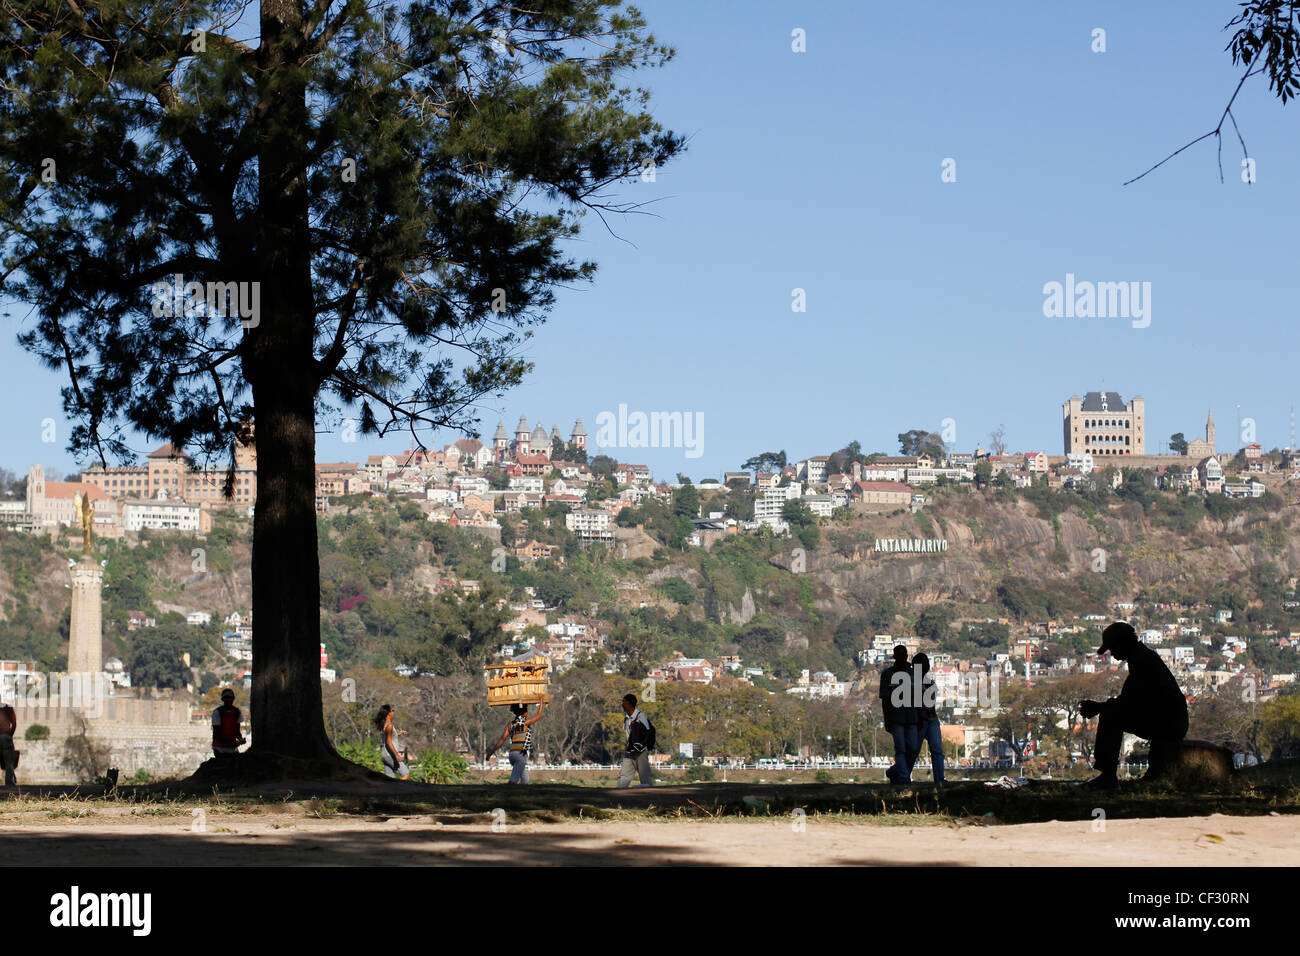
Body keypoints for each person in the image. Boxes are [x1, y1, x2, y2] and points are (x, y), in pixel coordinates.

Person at [1081, 621, 1189, 789]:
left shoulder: (1142, 661)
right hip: (1167, 720)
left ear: (1123, 643)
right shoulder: (1142, 658)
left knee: (1111, 715)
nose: (1113, 654)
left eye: (1113, 648)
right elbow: (1130, 701)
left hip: (1167, 723)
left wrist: (1099, 708)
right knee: (1111, 712)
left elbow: (1129, 702)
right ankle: (1107, 775)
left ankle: (1108, 776)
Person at [880, 645, 918, 784]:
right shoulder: (887, 674)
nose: (902, 656)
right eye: (900, 654)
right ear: (895, 656)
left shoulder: (914, 673)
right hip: (896, 717)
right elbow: (885, 699)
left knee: (913, 749)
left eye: (904, 654)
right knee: (901, 749)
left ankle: (895, 771)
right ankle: (904, 777)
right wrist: (886, 719)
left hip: (912, 716)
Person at [487, 702, 544, 784]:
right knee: (513, 781)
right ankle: (506, 793)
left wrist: (490, 753)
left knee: (525, 780)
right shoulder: (525, 723)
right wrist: (541, 701)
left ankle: (521, 795)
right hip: (520, 755)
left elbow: (501, 740)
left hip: (512, 754)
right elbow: (539, 715)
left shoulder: (510, 726)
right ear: (524, 713)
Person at [912, 653, 944, 785]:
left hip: (930, 720)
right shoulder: (911, 683)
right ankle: (899, 774)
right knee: (914, 751)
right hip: (919, 720)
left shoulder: (930, 683)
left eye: (926, 663)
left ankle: (939, 779)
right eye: (923, 663)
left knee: (937, 750)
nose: (926, 666)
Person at [616, 693, 654, 789]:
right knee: (624, 774)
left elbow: (648, 731)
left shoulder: (641, 716)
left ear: (629, 704)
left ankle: (651, 795)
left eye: (624, 702)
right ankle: (619, 794)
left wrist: (644, 745)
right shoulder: (626, 718)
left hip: (640, 751)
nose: (622, 704)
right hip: (630, 750)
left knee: (645, 775)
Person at [375, 704, 410, 780]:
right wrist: (396, 755)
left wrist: (397, 734)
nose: (394, 712)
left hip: (384, 755)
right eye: (392, 710)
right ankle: (397, 790)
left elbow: (388, 737)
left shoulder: (383, 725)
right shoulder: (389, 726)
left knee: (390, 780)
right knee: (406, 774)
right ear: (388, 713)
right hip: (390, 755)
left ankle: (388, 791)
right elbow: (388, 742)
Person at [211, 689, 245, 760]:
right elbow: (217, 733)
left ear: (233, 699)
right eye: (226, 698)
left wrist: (241, 739)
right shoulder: (217, 712)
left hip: (232, 748)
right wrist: (232, 742)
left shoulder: (237, 712)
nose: (228, 700)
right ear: (223, 699)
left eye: (230, 698)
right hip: (220, 748)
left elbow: (237, 731)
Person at [0, 698, 17, 786]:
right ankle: (9, 783)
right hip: (5, 736)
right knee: (9, 761)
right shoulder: (8, 707)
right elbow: (14, 723)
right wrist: (10, 735)